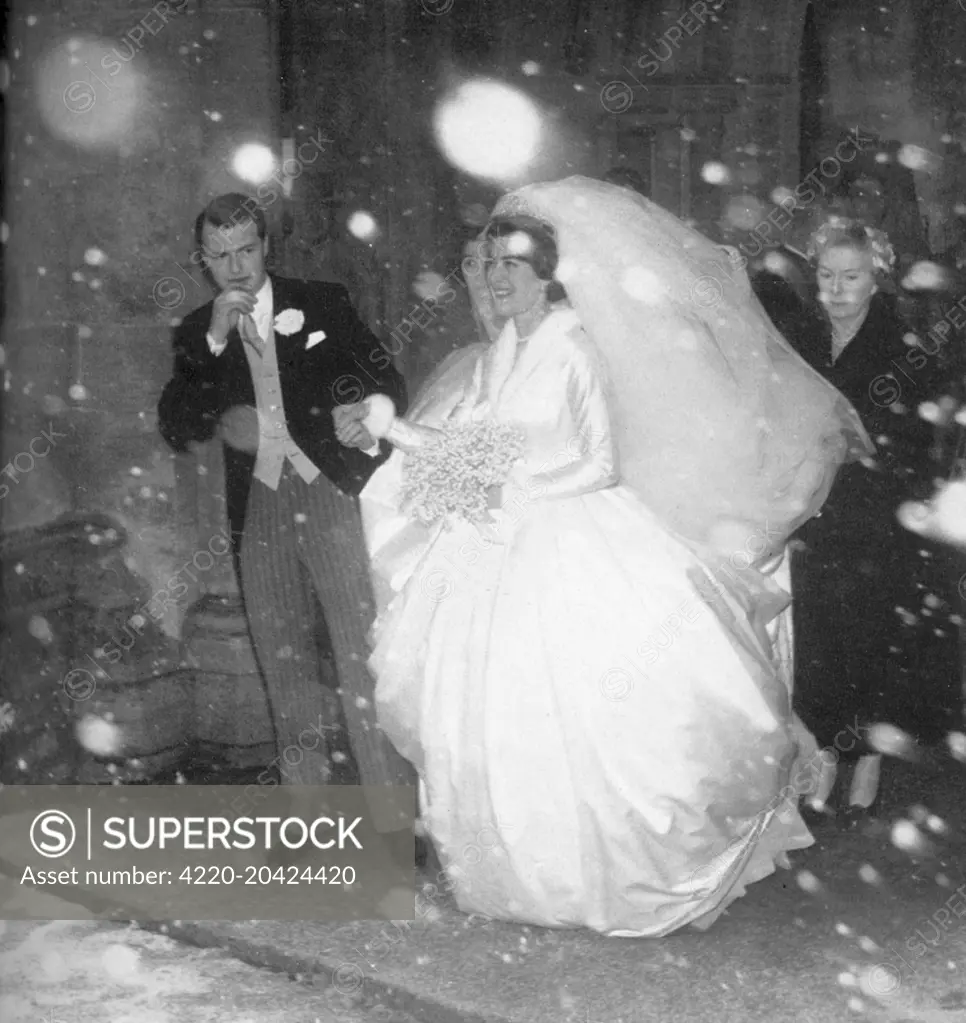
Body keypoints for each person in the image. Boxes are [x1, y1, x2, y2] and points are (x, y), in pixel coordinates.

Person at [335, 177, 871, 936]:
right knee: (498, 714)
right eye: (488, 267)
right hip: (497, 553)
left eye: (510, 268)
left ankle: (615, 875)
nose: (494, 280)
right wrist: (394, 429)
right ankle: (526, 875)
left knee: (596, 711)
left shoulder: (575, 347)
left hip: (573, 539)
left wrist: (519, 487)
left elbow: (598, 463)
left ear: (547, 275)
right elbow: (467, 450)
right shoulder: (494, 359)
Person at [157, 193, 419, 859]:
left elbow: (385, 376)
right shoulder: (197, 332)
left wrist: (366, 404)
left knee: (364, 657)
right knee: (284, 664)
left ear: (266, 246)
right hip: (261, 507)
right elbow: (177, 422)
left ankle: (392, 825)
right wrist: (215, 350)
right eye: (219, 255)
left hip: (331, 492)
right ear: (203, 261)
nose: (235, 265)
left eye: (245, 248)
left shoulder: (322, 301)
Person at [790, 217, 961, 825]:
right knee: (813, 637)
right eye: (827, 276)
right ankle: (823, 754)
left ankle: (865, 757)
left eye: (851, 278)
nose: (836, 290)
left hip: (875, 520)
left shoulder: (904, 347)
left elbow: (923, 443)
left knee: (866, 639)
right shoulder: (801, 338)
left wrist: (871, 448)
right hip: (812, 511)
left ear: (875, 280)